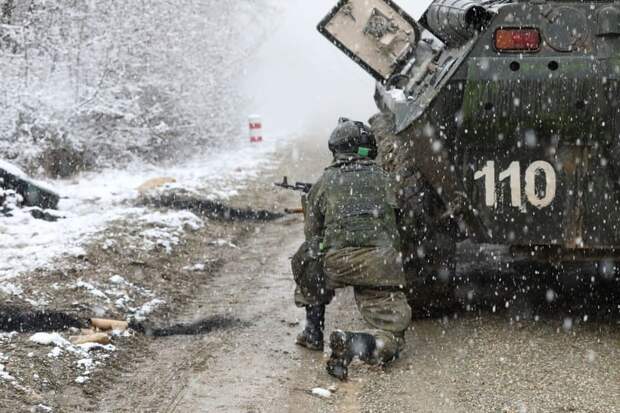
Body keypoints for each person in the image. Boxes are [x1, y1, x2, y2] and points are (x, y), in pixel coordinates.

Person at [292, 118, 412, 380]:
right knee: (392, 337)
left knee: (308, 255)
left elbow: (312, 234)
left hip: (337, 263)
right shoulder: (385, 178)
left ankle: (313, 331)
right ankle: (357, 343)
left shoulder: (325, 182)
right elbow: (402, 221)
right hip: (380, 265)